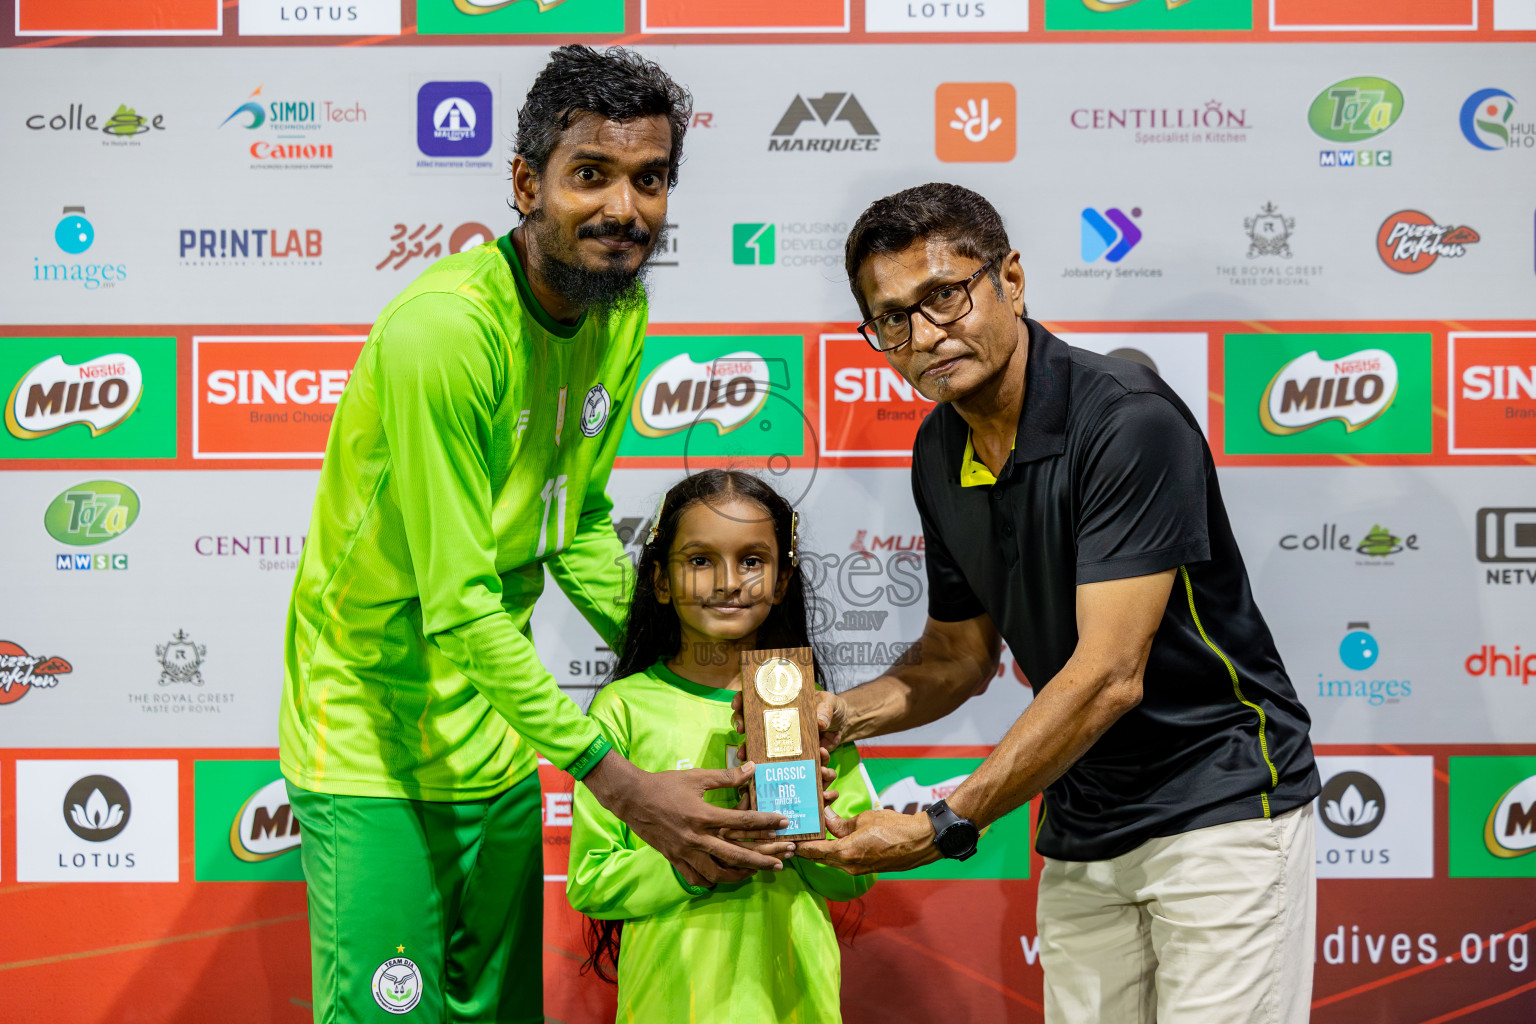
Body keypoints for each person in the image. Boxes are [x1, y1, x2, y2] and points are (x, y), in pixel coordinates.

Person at [278, 48, 790, 1024]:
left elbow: (579, 527)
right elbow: (460, 600)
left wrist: (704, 656)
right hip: (373, 743)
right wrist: (621, 782)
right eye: (590, 174)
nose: (624, 210)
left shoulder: (620, 306)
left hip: (497, 740)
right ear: (526, 183)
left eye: (650, 180)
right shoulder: (445, 332)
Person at [790, 183, 1321, 1023]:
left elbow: (1110, 675)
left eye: (945, 295)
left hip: (1220, 808)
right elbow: (957, 659)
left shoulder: (1126, 420)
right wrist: (838, 715)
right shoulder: (939, 448)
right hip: (1083, 820)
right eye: (893, 319)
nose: (924, 335)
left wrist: (941, 824)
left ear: (1013, 280)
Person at [568, 470, 876, 1023]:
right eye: (700, 560)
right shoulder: (624, 707)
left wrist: (816, 823)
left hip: (795, 1004)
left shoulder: (814, 710)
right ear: (661, 581)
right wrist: (694, 859)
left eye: (753, 561)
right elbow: (591, 880)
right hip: (670, 1002)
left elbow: (852, 879)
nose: (729, 581)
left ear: (782, 581)